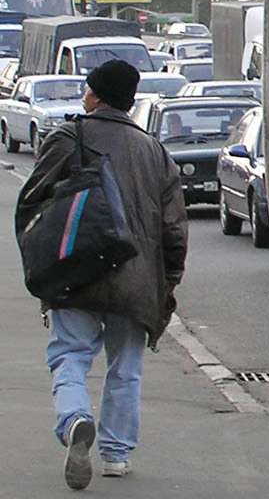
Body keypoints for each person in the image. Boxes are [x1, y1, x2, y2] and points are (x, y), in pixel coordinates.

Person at [15, 60, 187, 489]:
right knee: (126, 368)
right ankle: (116, 454)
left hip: (76, 273)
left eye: (87, 89)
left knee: (70, 354)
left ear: (95, 96)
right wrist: (166, 284)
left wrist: (42, 263)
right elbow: (173, 230)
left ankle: (75, 419)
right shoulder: (154, 151)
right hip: (137, 279)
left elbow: (31, 204)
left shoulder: (68, 137)